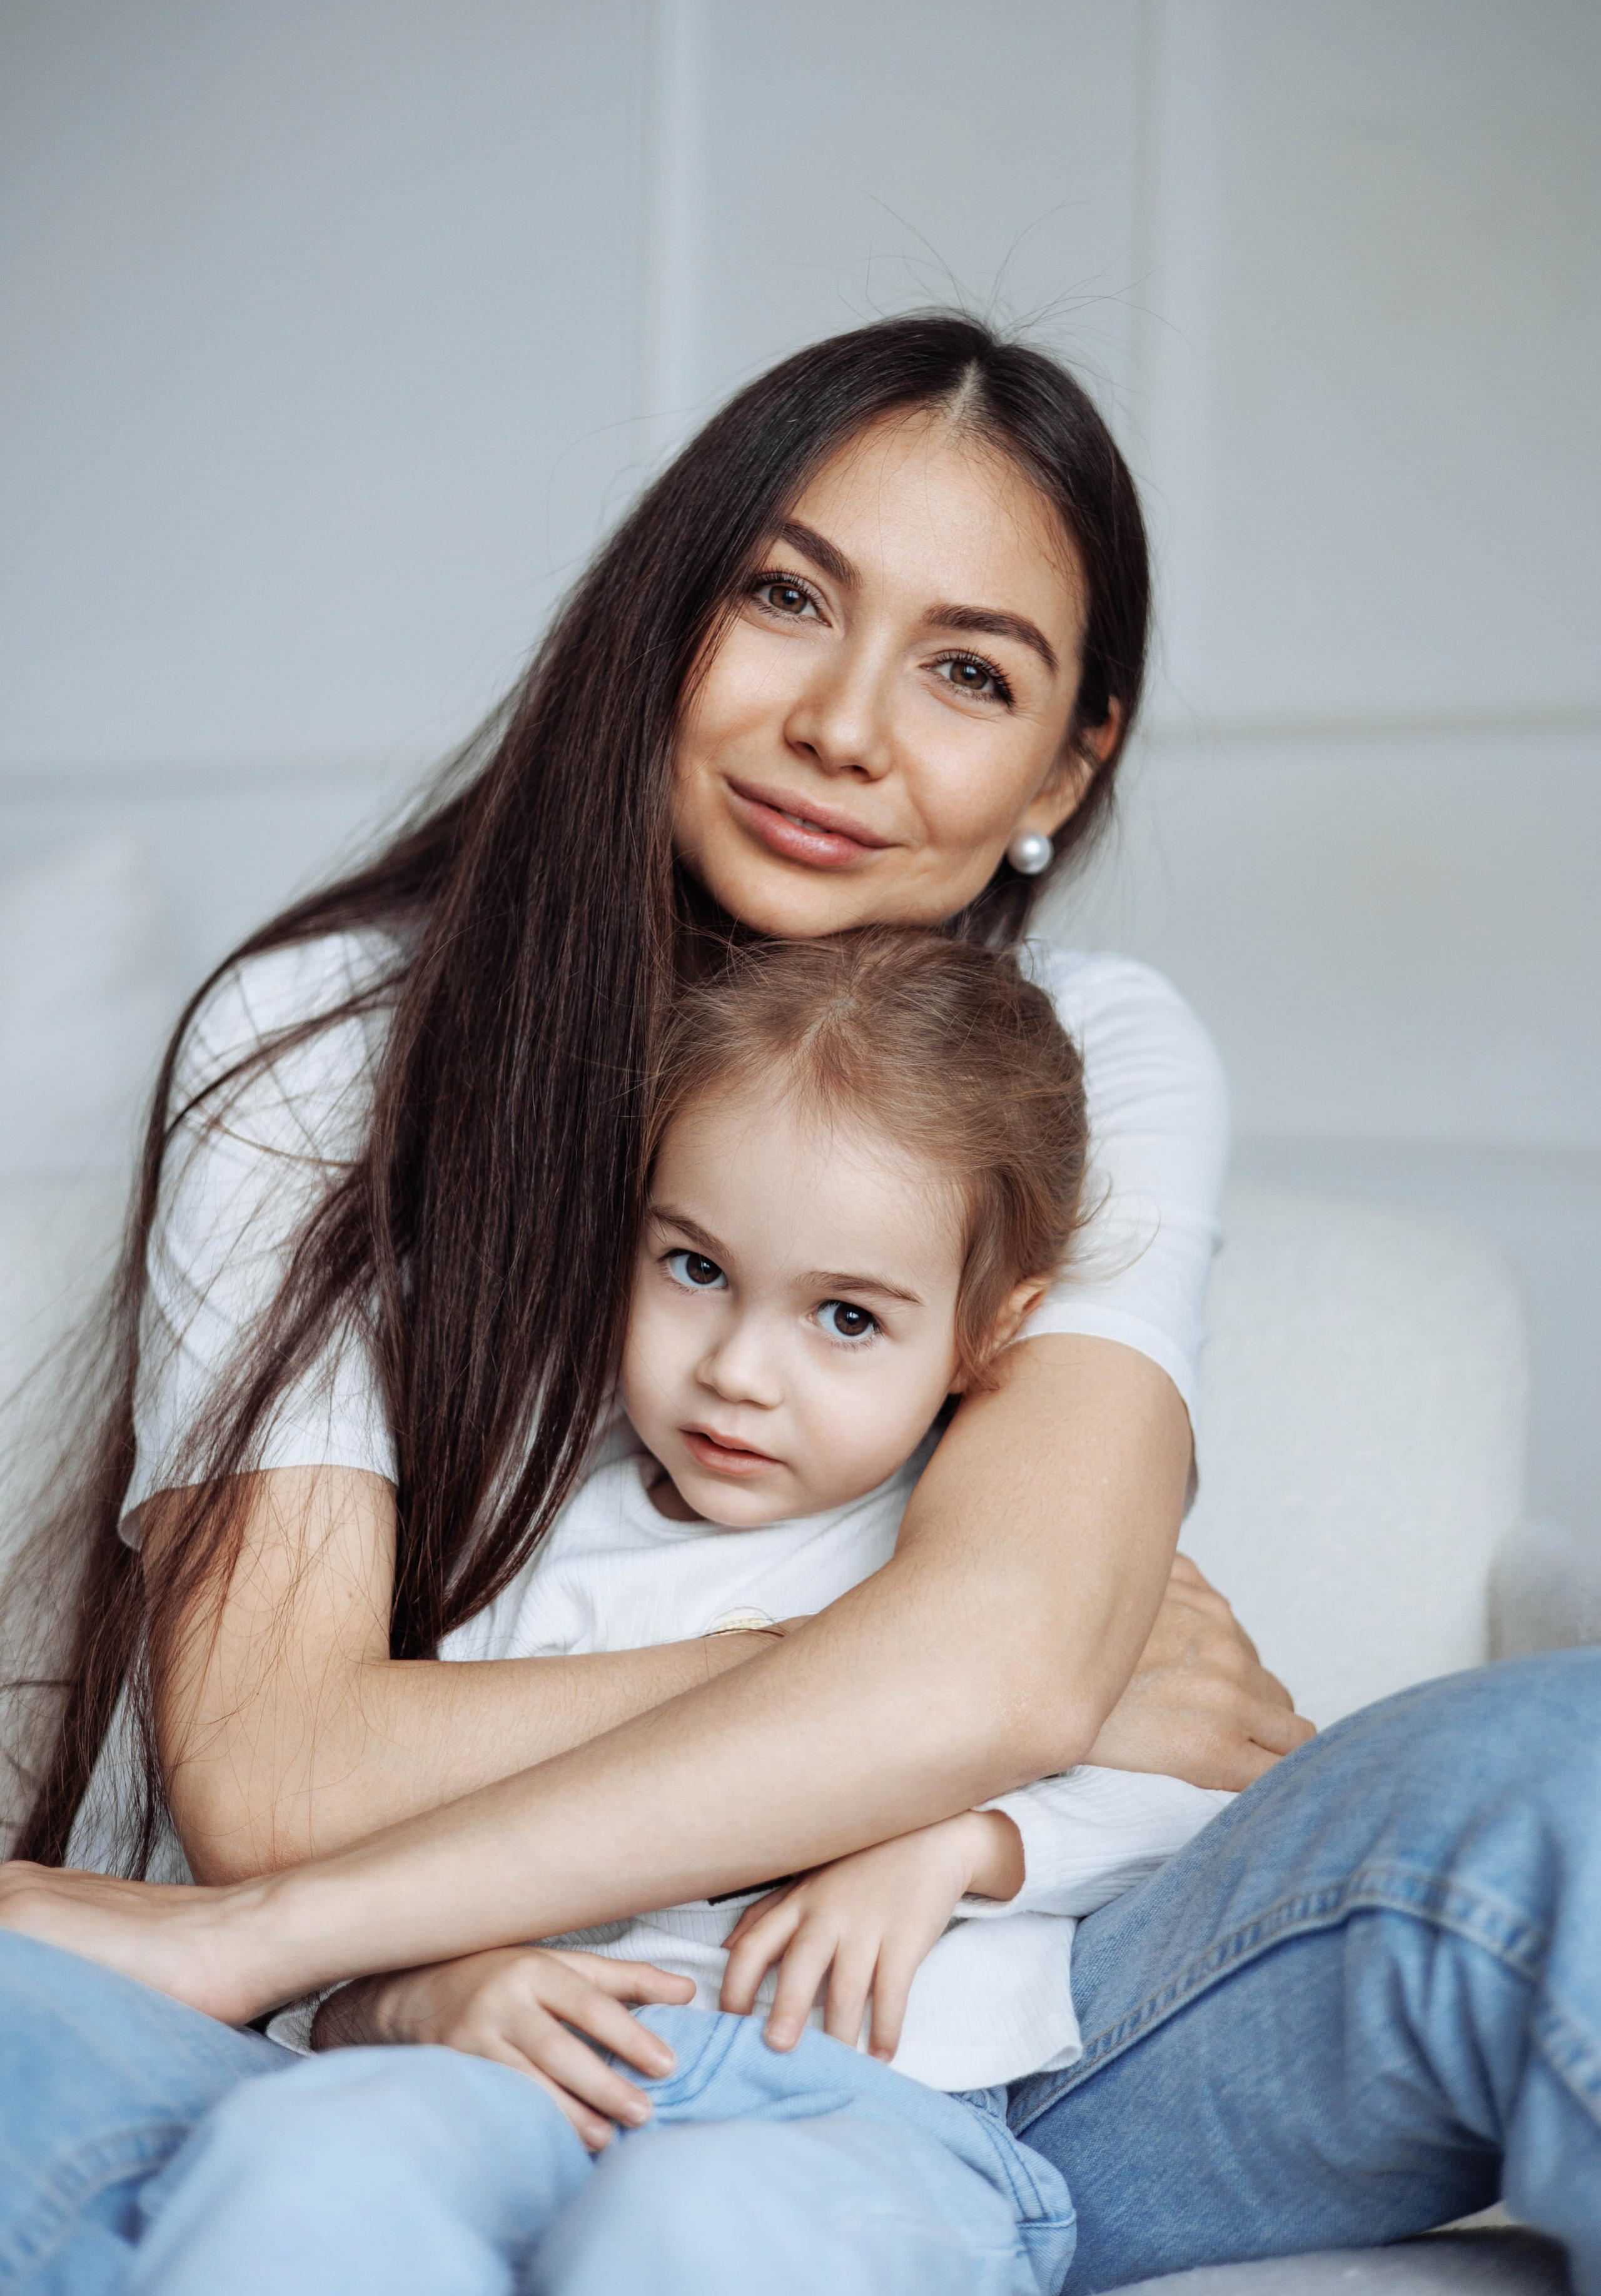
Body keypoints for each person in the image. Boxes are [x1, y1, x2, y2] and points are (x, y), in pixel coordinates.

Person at [1, 315, 1597, 2292]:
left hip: (909, 2040)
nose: (848, 724)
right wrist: (928, 1660)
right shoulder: (330, 1036)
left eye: (967, 671)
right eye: (782, 598)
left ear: (1066, 761)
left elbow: (1005, 1682)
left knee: (1573, 1777)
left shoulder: (1096, 1059)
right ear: (657, 621)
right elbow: (278, 1777)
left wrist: (1007, 1704)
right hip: (409, 2007)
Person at [12, 929, 1236, 2296]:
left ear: (986, 1329)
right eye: (696, 1270)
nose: (738, 1374)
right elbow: (365, 1874)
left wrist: (960, 1845)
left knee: (705, 2237)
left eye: (844, 1319)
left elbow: (1186, 1807)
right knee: (304, 2167)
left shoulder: (977, 1559)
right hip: (509, 2077)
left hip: (854, 2102)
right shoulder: (509, 1540)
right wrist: (409, 1997)